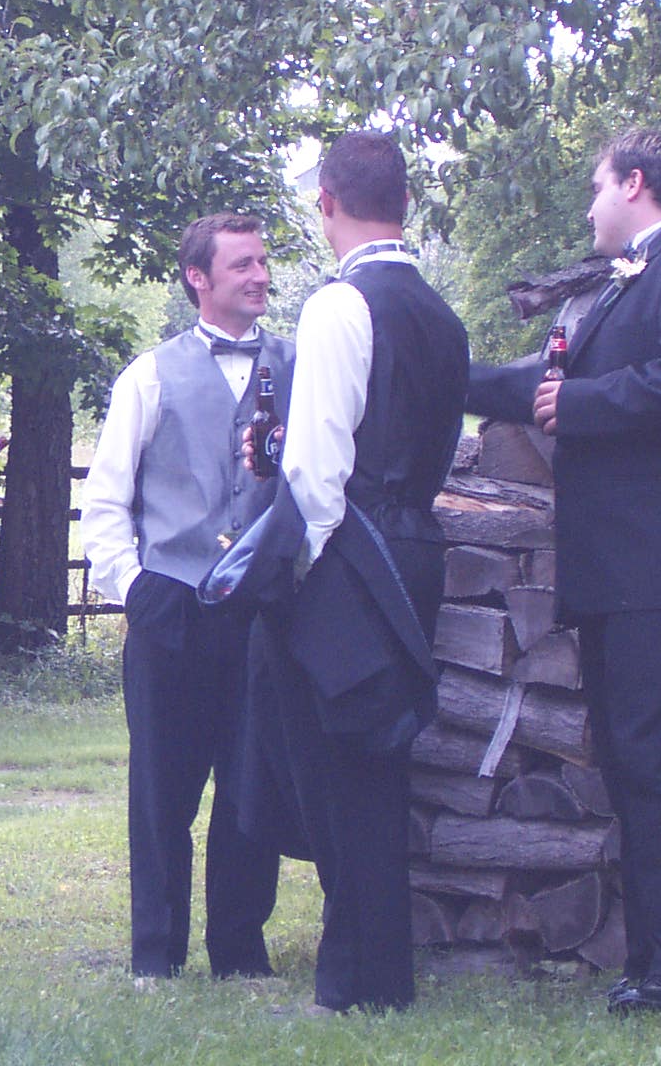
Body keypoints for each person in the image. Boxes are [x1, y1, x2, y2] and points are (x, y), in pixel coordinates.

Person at [466, 127, 661, 1016]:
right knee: (637, 767)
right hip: (628, 574)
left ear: (635, 184)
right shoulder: (627, 279)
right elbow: (544, 382)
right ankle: (656, 961)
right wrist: (441, 375)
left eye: (597, 187)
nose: (589, 206)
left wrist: (584, 403)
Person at [248, 132, 468, 1014]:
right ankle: (376, 975)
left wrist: (291, 576)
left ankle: (354, 983)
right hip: (416, 546)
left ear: (327, 204)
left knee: (334, 767)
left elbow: (316, 469)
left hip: (350, 552)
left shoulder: (341, 304)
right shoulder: (443, 317)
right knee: (377, 763)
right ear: (405, 204)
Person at [81, 214, 289, 983]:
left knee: (251, 783)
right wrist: (133, 587)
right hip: (170, 604)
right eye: (242, 265)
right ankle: (155, 952)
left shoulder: (298, 365)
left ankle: (239, 949)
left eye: (262, 261)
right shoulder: (150, 374)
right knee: (161, 790)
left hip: (263, 607)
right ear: (198, 278)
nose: (260, 276)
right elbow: (106, 499)